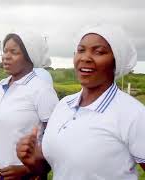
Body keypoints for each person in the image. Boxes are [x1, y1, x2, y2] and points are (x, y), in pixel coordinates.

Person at [16, 24, 145, 180]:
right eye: (81, 50)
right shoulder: (64, 105)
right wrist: (33, 160)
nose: (85, 58)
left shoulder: (133, 114)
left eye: (98, 52)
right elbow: (57, 167)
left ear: (116, 60)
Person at [0, 32, 59, 179]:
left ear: (30, 57)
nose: (6, 56)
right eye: (5, 51)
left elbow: (55, 140)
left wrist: (28, 169)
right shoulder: (0, 86)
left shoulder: (41, 90)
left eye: (14, 52)